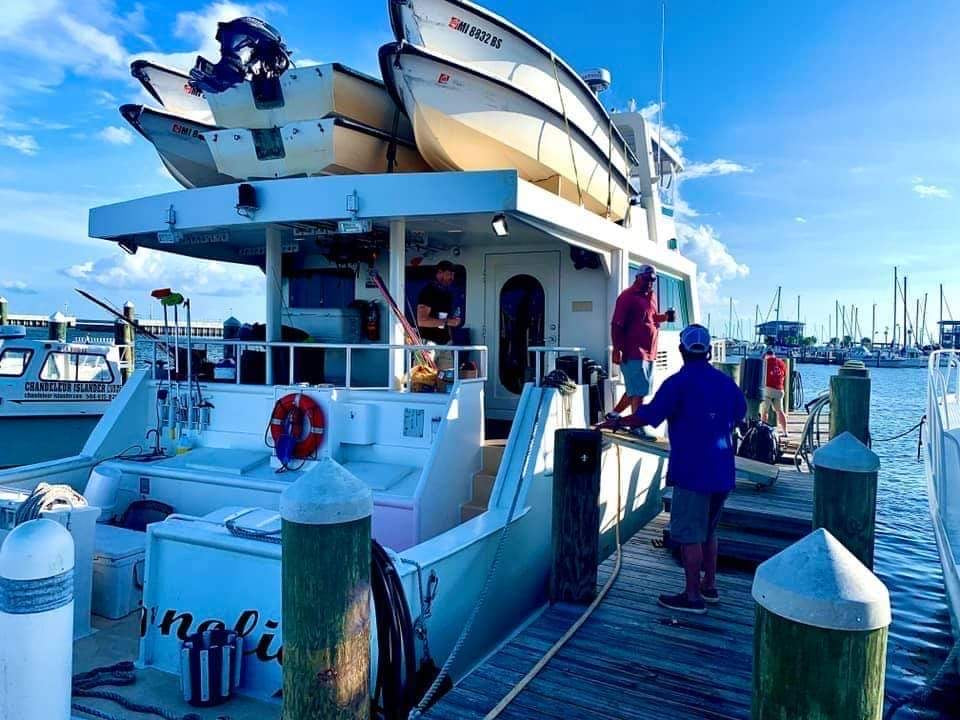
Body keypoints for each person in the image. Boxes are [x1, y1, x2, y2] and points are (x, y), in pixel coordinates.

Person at [628, 324, 747, 613]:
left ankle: (692, 597)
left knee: (690, 535)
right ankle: (709, 586)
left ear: (682, 350)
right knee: (709, 531)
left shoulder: (677, 383)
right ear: (707, 351)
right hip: (722, 472)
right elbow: (741, 413)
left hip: (692, 473)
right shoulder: (725, 383)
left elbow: (649, 415)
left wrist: (616, 421)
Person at [609, 265, 675, 432]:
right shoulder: (627, 297)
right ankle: (636, 426)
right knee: (639, 391)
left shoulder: (651, 296)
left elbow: (651, 319)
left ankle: (614, 415)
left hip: (650, 352)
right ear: (637, 277)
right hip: (633, 352)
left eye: (652, 279)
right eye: (646, 279)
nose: (649, 283)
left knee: (635, 389)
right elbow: (616, 325)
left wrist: (665, 317)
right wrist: (617, 349)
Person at [416, 261, 461, 370]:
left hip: (445, 344)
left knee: (447, 381)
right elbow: (422, 321)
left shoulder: (447, 294)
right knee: (424, 380)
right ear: (439, 273)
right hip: (428, 344)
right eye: (449, 274)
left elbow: (446, 320)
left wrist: (450, 340)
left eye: (453, 275)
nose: (452, 278)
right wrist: (447, 321)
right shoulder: (428, 292)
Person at [762, 349, 788, 436]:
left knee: (764, 411)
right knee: (780, 411)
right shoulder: (781, 363)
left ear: (766, 355)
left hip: (768, 389)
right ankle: (785, 431)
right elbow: (784, 375)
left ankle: (763, 431)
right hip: (779, 390)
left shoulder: (765, 362)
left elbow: (762, 376)